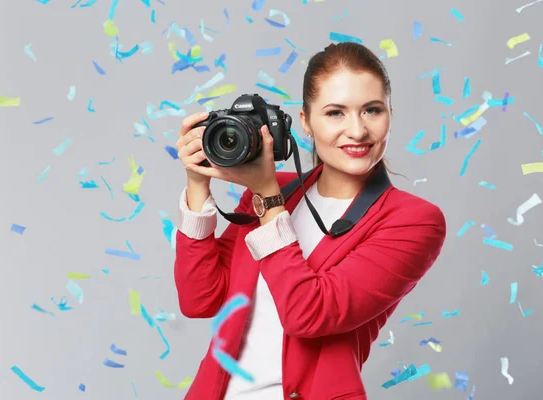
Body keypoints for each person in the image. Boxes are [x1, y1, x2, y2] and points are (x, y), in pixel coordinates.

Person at [173, 42, 447, 400]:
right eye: (335, 113)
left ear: (390, 114)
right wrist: (198, 183)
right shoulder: (278, 191)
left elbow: (309, 314)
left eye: (372, 110)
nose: (357, 131)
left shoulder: (413, 221)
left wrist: (266, 196)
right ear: (305, 121)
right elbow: (200, 300)